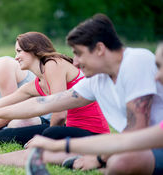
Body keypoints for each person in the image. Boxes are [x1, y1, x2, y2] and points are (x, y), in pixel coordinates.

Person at [0, 14, 163, 175]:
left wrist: (99, 157)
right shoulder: (97, 80)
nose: (75, 62)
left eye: (79, 53)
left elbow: (137, 132)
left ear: (100, 49)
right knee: (52, 146)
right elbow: (44, 103)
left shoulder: (135, 61)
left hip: (148, 146)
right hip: (136, 145)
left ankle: (91, 162)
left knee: (121, 161)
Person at [0, 32, 109, 147]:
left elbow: (60, 114)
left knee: (49, 132)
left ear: (33, 50)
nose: (16, 57)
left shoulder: (53, 64)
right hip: (69, 129)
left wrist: (47, 139)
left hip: (93, 134)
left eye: (19, 52)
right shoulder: (36, 84)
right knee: (10, 134)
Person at [25, 42, 163, 175]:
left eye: (160, 67)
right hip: (113, 141)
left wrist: (97, 158)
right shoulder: (94, 80)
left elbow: (131, 137)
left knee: (120, 161)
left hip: (96, 135)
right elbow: (133, 138)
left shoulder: (53, 65)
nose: (156, 76)